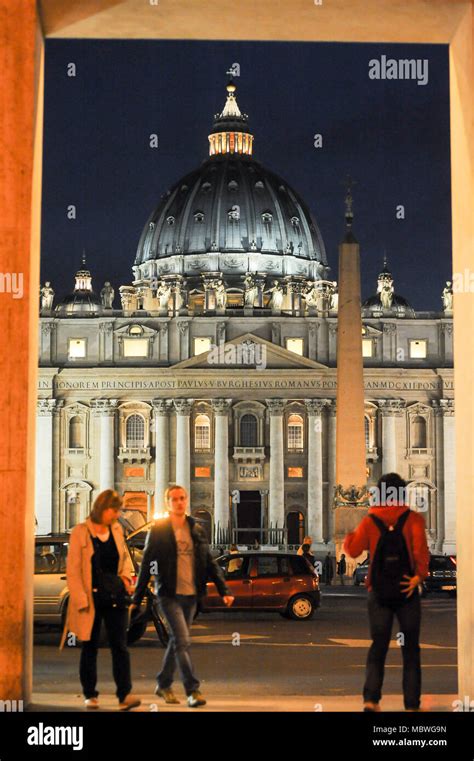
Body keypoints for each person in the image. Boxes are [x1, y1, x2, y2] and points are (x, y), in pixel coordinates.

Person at [130, 484, 234, 707]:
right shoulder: (159, 530)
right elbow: (147, 563)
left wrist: (223, 589)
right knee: (183, 640)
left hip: (191, 594)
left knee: (178, 641)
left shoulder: (195, 529)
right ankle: (192, 690)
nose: (179, 502)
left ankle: (163, 684)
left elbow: (208, 561)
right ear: (168, 503)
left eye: (182, 498)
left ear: (186, 501)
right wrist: (136, 599)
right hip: (168, 593)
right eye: (174, 499)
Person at [344, 472, 430, 712]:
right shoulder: (414, 519)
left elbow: (352, 550)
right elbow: (422, 554)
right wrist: (417, 578)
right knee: (411, 650)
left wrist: (352, 529)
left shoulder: (371, 520)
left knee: (378, 646)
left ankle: (371, 700)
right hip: (407, 592)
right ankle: (412, 705)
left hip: (379, 593)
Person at [61, 489, 141, 711]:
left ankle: (124, 694)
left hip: (114, 596)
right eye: (114, 510)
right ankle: (90, 695)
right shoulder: (81, 532)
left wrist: (125, 577)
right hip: (90, 597)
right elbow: (73, 570)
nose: (117, 515)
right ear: (103, 509)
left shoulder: (116, 529)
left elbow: (123, 557)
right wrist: (80, 598)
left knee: (120, 647)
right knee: (90, 646)